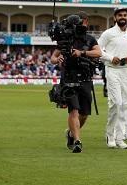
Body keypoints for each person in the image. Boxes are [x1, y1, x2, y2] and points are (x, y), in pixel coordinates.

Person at [50, 14, 102, 153]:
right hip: (68, 78)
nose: (82, 24)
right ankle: (77, 141)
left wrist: (82, 53)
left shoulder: (90, 39)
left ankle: (71, 133)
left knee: (84, 114)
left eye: (84, 21)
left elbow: (98, 53)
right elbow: (53, 58)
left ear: (86, 22)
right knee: (73, 110)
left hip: (85, 79)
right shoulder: (66, 38)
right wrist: (58, 59)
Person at [98, 7, 127, 149]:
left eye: (125, 15)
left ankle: (120, 138)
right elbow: (97, 50)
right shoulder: (108, 33)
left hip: (126, 71)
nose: (123, 17)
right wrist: (110, 57)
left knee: (125, 104)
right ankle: (110, 135)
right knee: (116, 103)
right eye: (120, 15)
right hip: (112, 70)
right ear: (115, 18)